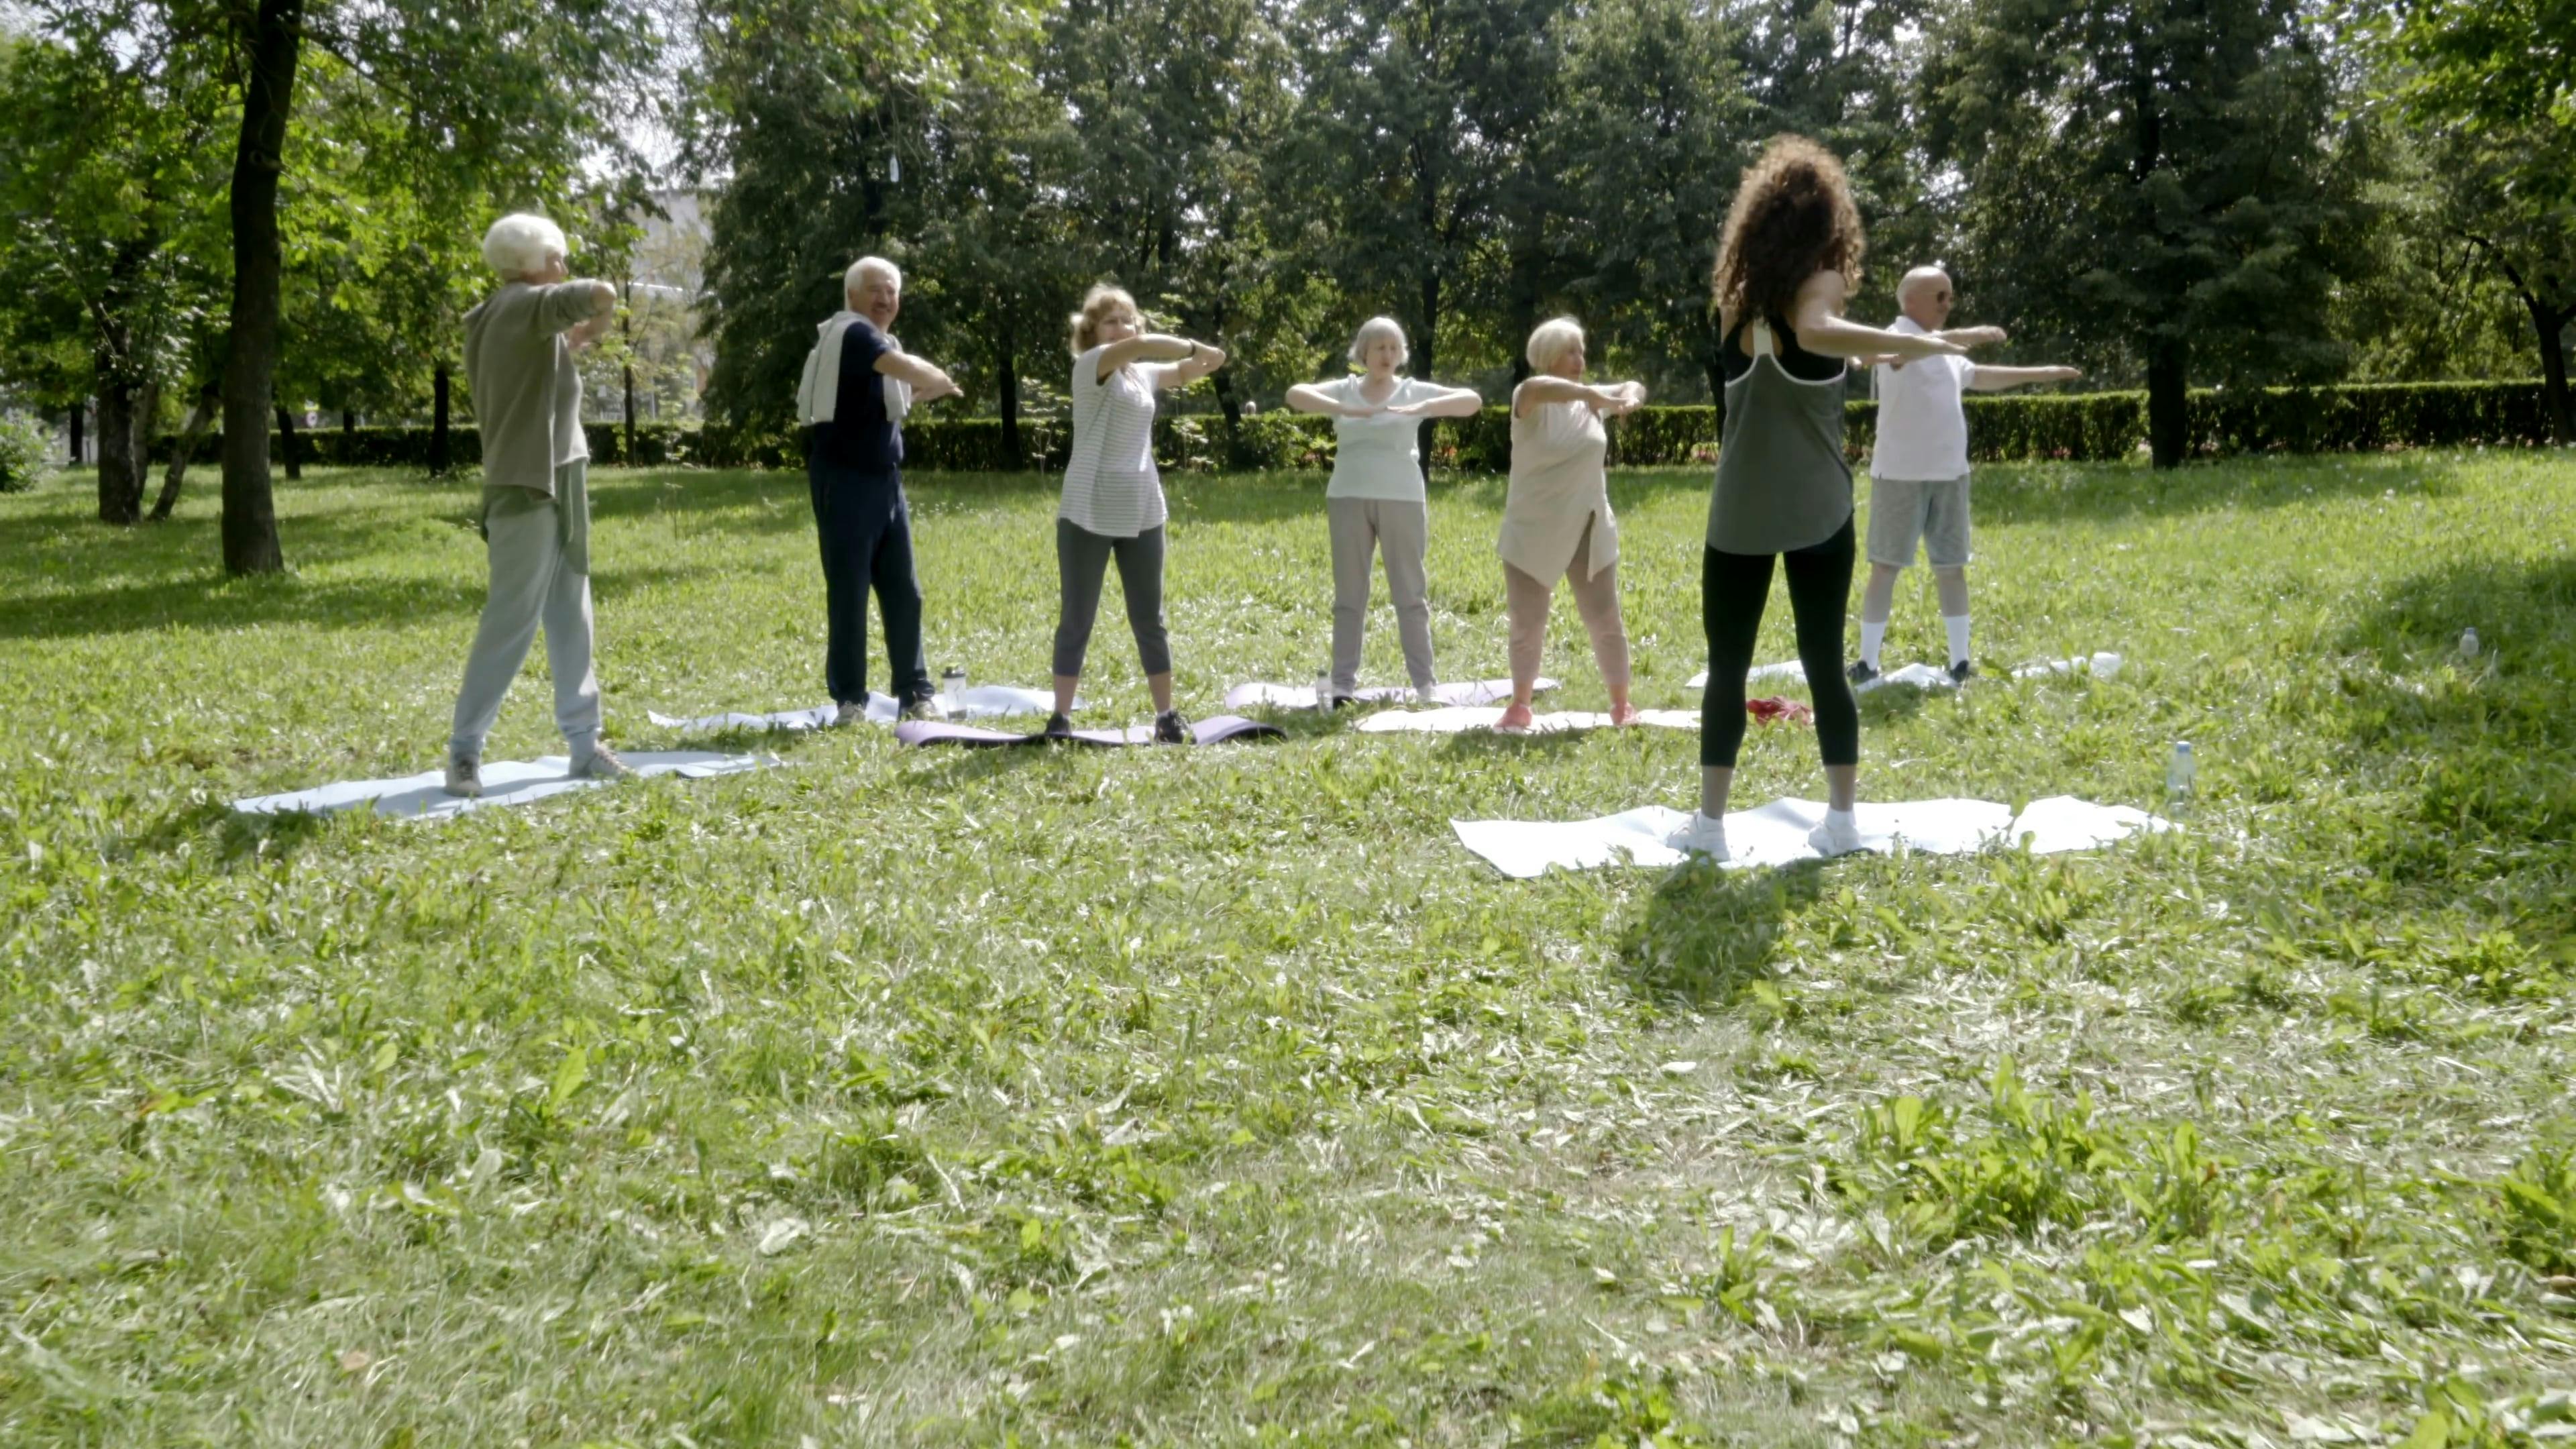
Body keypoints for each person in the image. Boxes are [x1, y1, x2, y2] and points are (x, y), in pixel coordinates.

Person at [1666, 138, 1967, 861]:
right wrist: (1932, 345)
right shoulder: (1825, 286)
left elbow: (1814, 336)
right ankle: (1840, 821)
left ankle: (1710, 828)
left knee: (1730, 669)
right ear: (1830, 222)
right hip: (1815, 512)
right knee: (1824, 664)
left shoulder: (1734, 302)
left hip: (1739, 509)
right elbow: (1815, 330)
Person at [444, 213, 631, 798]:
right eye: (558, 257)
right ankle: (464, 754)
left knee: (572, 614)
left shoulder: (507, 316)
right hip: (528, 486)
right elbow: (599, 292)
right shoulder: (526, 304)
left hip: (559, 479)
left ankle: (584, 745)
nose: (564, 267)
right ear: (535, 263)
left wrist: (575, 337)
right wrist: (597, 313)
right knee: (511, 620)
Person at [1850, 265, 2082, 684]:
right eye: (1940, 296)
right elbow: (1906, 352)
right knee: (1885, 567)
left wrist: (2041, 373)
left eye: (1950, 296)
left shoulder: (1945, 350)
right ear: (1911, 301)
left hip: (1951, 476)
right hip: (1900, 476)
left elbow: (1979, 376)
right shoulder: (1896, 338)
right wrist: (1968, 335)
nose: (1947, 304)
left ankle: (1960, 662)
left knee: (1951, 568)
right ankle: (1866, 663)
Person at [1046, 284, 1228, 742]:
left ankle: (1166, 716)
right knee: (1077, 618)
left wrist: (1208, 355)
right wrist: (1193, 345)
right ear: (1091, 333)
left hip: (1143, 506)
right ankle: (1060, 719)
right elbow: (1150, 347)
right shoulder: (1092, 367)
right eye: (1111, 320)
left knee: (1150, 617)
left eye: (1128, 320)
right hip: (1089, 506)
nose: (1123, 328)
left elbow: (1197, 368)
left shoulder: (1140, 376)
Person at [794, 256, 963, 726]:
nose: (885, 299)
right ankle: (850, 699)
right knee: (848, 591)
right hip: (843, 482)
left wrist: (930, 385)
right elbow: (906, 370)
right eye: (875, 290)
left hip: (886, 481)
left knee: (903, 591)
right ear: (852, 295)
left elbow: (900, 393)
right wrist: (938, 377)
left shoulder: (877, 342)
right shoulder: (853, 333)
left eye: (892, 291)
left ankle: (915, 693)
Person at [1282, 317, 1482, 703]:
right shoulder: (1346, 390)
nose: (1387, 355)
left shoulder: (1411, 391)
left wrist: (1424, 405)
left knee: (1410, 593)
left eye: (1394, 347)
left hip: (1402, 498)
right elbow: (1295, 394)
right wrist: (1346, 409)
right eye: (1379, 348)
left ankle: (1426, 686)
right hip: (1348, 497)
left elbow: (1472, 401)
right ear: (1364, 353)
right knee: (1349, 596)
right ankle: (1342, 686)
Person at [1493, 318, 1649, 732]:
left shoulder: (1588, 402)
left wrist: (1628, 398)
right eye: (1571, 351)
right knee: (1527, 622)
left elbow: (1634, 385)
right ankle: (1520, 705)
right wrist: (1597, 394)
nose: (1580, 360)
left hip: (1588, 523)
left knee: (1605, 619)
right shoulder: (1529, 397)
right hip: (1533, 527)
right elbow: (1541, 390)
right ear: (1548, 357)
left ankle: (1621, 704)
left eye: (1582, 351)